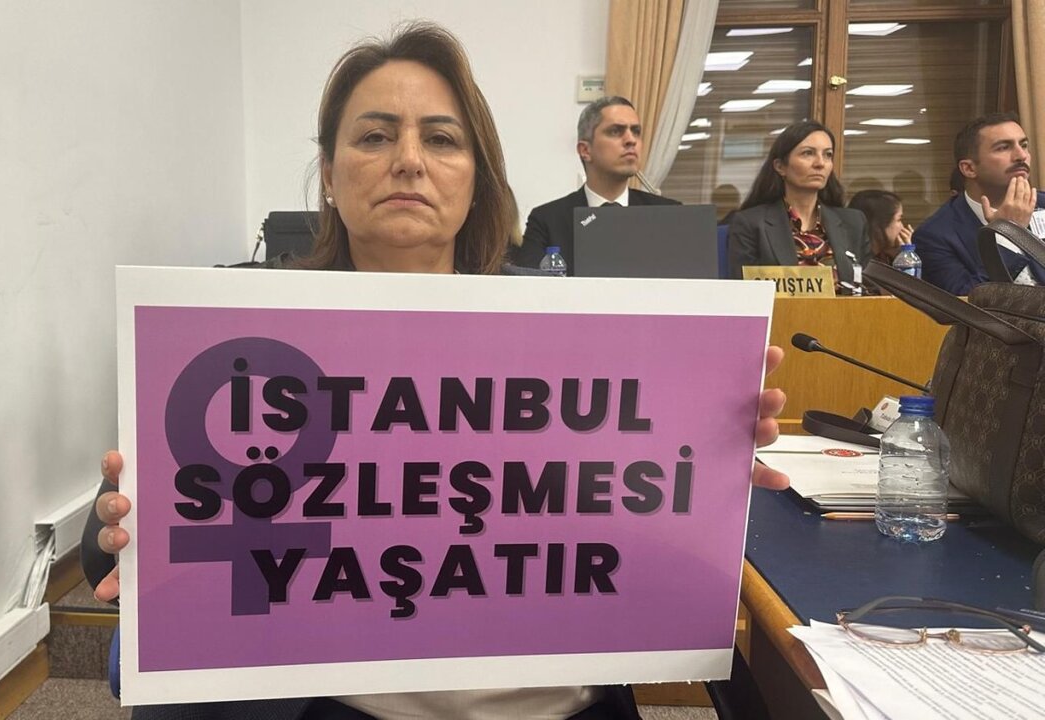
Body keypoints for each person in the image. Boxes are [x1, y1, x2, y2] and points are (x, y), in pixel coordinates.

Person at [84, 22, 789, 720]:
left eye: (442, 139)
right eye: (374, 136)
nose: (409, 161)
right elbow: (119, 543)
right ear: (328, 174)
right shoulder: (240, 331)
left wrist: (705, 472)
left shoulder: (582, 337)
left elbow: (623, 526)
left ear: (476, 177)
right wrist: (123, 519)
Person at [509, 96, 680, 273]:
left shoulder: (670, 215)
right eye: (616, 131)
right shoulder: (547, 221)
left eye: (636, 131)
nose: (631, 140)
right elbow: (528, 285)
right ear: (585, 150)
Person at [912, 112, 1045, 295]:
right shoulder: (934, 236)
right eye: (1003, 148)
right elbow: (968, 301)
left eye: (1023, 145)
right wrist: (1008, 234)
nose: (1021, 155)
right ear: (969, 168)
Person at [726, 121, 869, 290]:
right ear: (780, 166)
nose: (820, 163)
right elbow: (745, 292)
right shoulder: (750, 224)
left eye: (828, 155)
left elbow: (868, 289)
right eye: (808, 153)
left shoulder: (854, 223)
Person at [848, 189, 912, 265]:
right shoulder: (858, 263)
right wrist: (905, 259)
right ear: (879, 225)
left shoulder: (886, 257)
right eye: (899, 219)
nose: (902, 227)